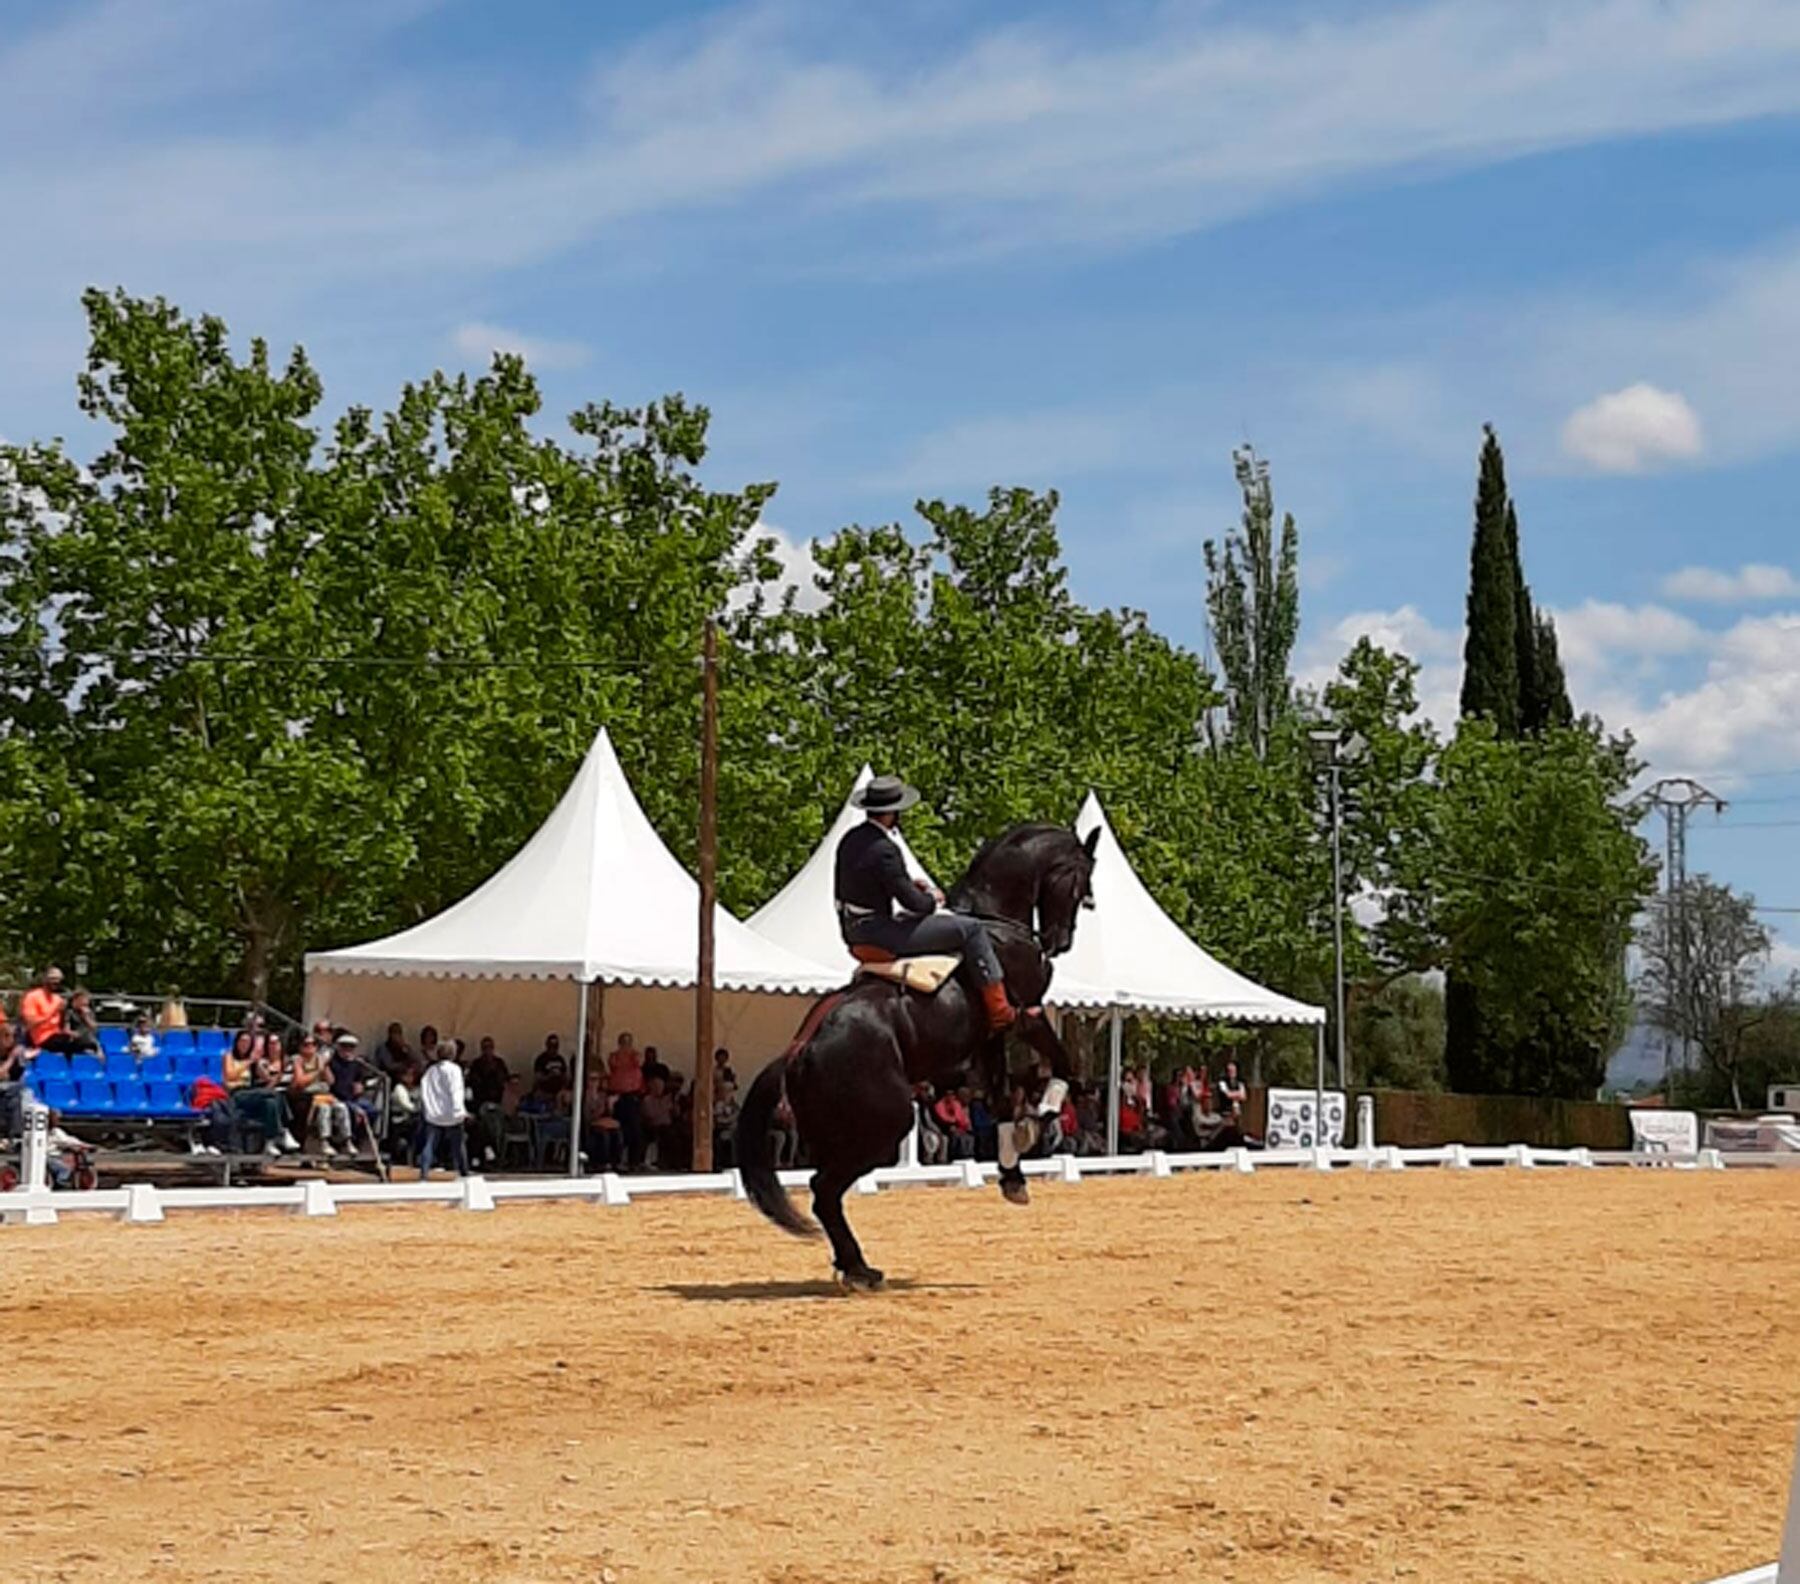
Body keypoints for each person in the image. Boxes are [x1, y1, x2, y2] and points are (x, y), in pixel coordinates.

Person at [833, 775, 1015, 1031]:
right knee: (971, 929)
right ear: (892, 813)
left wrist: (910, 885)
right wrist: (932, 897)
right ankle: (1000, 1010)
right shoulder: (885, 848)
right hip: (880, 934)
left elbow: (873, 884)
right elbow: (915, 905)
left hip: (853, 931)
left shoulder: (849, 841)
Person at [226, 1030, 292, 1155]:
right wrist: (249, 1062)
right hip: (236, 1093)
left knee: (270, 1102)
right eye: (242, 1041)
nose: (244, 1044)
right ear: (237, 1042)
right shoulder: (229, 1056)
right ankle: (284, 1130)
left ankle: (270, 1142)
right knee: (275, 1094)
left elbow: (267, 1079)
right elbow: (230, 1075)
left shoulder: (253, 1061)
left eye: (248, 1042)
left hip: (251, 1093)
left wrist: (259, 1065)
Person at [417, 1038, 469, 1180]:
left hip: (434, 1114)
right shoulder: (454, 1070)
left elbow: (424, 1091)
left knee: (429, 1144)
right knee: (458, 1145)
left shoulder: (430, 1071)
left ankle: (424, 1174)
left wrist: (429, 1109)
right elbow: (456, 1091)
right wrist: (460, 1112)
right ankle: (463, 1173)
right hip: (452, 1113)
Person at [22, 967, 95, 1055]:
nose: (56, 982)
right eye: (52, 979)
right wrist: (53, 1011)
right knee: (79, 1044)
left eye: (58, 979)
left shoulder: (57, 999)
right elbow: (31, 1023)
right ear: (45, 979)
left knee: (87, 1043)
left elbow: (62, 1024)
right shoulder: (32, 996)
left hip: (58, 1035)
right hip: (41, 1038)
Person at [466, 1036, 511, 1166]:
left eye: (490, 1047)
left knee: (498, 1123)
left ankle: (496, 1152)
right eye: (485, 1048)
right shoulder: (476, 1064)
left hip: (498, 1104)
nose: (487, 1050)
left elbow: (506, 1082)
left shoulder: (499, 1063)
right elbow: (471, 1084)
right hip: (481, 1104)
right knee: (485, 1122)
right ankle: (490, 1150)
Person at [606, 1032, 645, 1168]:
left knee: (635, 1130)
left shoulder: (635, 1055)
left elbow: (639, 1062)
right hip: (617, 1096)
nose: (626, 1045)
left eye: (628, 1042)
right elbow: (613, 1064)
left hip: (632, 1096)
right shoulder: (615, 1056)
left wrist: (631, 1055)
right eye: (623, 1042)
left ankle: (633, 1161)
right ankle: (616, 1160)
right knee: (618, 1130)